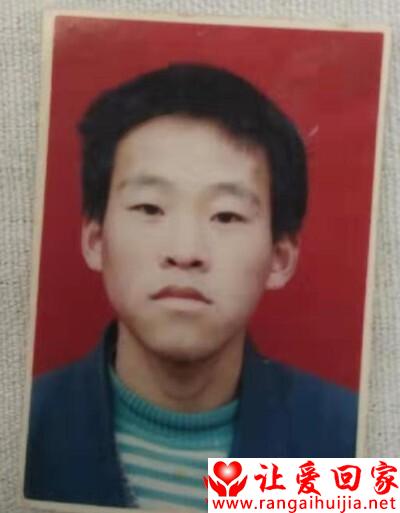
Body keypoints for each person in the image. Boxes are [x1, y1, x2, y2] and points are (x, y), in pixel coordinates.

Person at [24, 64, 357, 511]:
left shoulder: (349, 443)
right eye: (149, 208)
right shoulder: (21, 426)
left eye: (226, 215)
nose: (185, 252)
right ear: (96, 240)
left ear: (280, 258)